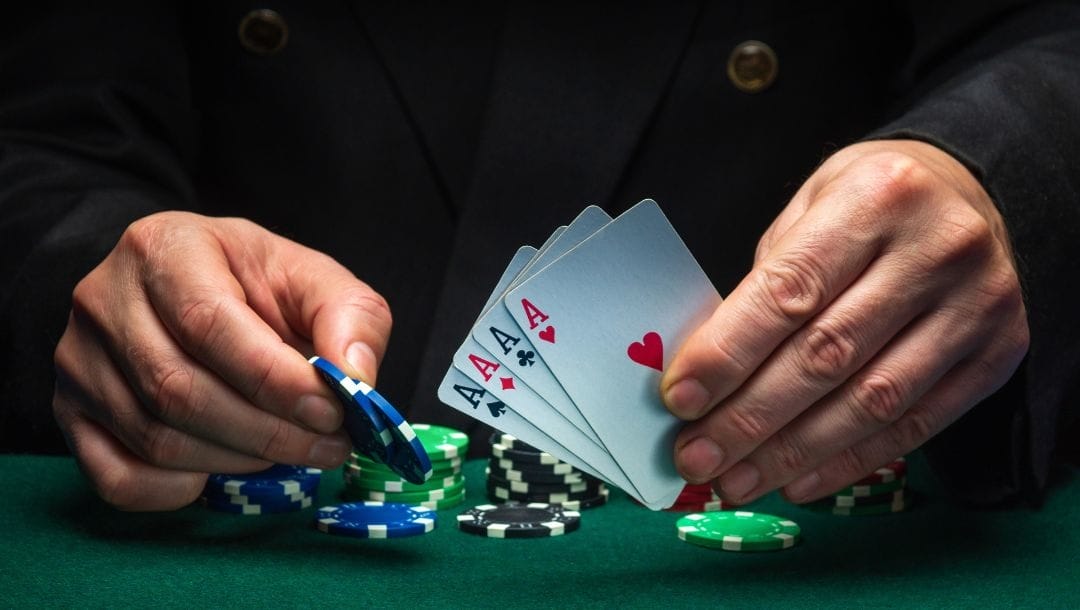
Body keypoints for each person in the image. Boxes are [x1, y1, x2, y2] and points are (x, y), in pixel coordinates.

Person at [1, 2, 1077, 512]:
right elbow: (39, 132)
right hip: (237, 501)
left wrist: (1005, 176)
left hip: (846, 486)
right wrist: (85, 266)